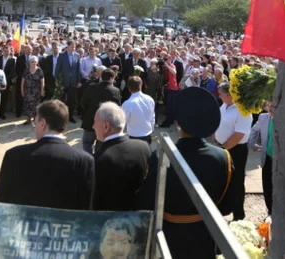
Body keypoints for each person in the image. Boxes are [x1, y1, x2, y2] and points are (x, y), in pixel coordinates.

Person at [136, 87, 239, 259]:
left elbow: (147, 200)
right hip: (205, 235)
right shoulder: (223, 157)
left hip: (169, 235)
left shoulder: (161, 155)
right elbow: (227, 205)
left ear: (178, 124)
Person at [0, 100, 94, 210]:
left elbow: (0, 203)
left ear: (42, 124)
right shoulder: (84, 161)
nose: (35, 127)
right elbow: (86, 209)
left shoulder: (14, 155)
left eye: (35, 122)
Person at [92, 102, 150, 211]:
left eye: (95, 122)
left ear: (106, 126)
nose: (93, 126)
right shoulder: (143, 147)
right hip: (138, 215)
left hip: (110, 220)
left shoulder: (98, 159)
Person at [215, 82, 252, 220]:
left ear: (230, 95)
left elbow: (238, 135)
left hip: (236, 150)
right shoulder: (225, 105)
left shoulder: (242, 111)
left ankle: (238, 214)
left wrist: (223, 148)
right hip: (222, 147)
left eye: (221, 94)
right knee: (224, 180)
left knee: (236, 182)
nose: (219, 97)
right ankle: (225, 208)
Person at [80, 68, 121, 154]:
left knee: (87, 143)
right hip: (105, 123)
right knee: (101, 145)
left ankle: (88, 161)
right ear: (111, 78)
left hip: (90, 119)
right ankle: (97, 162)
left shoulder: (91, 87)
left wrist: (89, 111)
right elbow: (117, 108)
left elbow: (83, 102)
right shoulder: (115, 91)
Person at [249, 100, 275, 216]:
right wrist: (253, 144)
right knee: (267, 186)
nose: (270, 108)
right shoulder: (263, 117)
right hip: (267, 158)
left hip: (279, 162)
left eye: (273, 106)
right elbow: (254, 130)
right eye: (268, 105)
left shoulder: (284, 119)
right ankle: (270, 211)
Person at [121, 76, 155, 144]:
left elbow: (123, 121)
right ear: (141, 85)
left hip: (134, 137)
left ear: (129, 88)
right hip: (147, 134)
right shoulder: (150, 99)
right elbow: (152, 118)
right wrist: (151, 129)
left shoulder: (127, 104)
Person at [55, 40, 81, 123]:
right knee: (61, 100)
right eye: (71, 46)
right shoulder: (62, 55)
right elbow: (57, 68)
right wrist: (57, 79)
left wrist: (79, 81)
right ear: (67, 46)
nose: (73, 48)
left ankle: (70, 116)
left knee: (72, 100)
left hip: (73, 82)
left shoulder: (77, 55)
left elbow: (78, 69)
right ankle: (60, 116)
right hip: (63, 81)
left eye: (74, 47)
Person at [20, 55, 45, 126]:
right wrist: (22, 91)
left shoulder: (39, 70)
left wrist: (42, 91)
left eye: (34, 62)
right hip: (27, 91)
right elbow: (22, 82)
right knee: (27, 105)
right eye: (32, 62)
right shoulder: (26, 70)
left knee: (36, 106)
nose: (33, 63)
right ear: (29, 62)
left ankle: (35, 119)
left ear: (37, 62)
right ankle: (28, 119)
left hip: (36, 92)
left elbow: (42, 81)